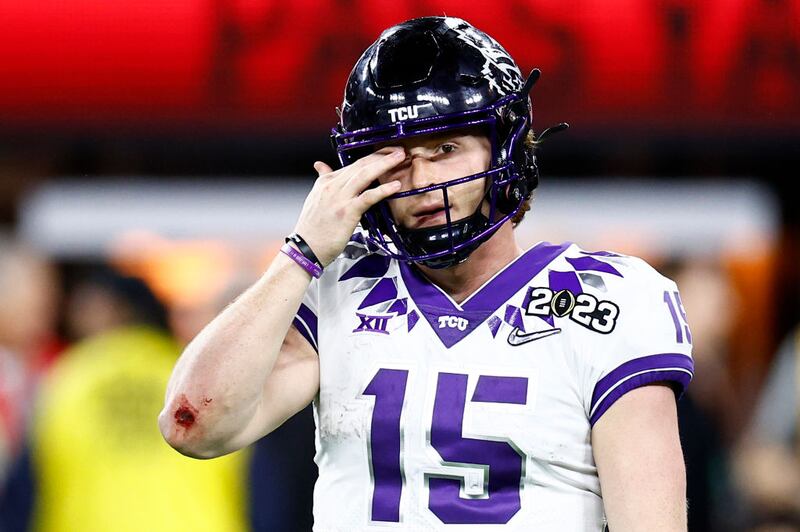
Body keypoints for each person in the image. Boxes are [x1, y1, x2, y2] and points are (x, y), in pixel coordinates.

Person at [160, 17, 694, 531]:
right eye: (394, 157)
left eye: (445, 148)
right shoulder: (337, 288)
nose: (420, 180)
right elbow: (194, 426)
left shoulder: (606, 300)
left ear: (506, 145)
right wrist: (300, 254)